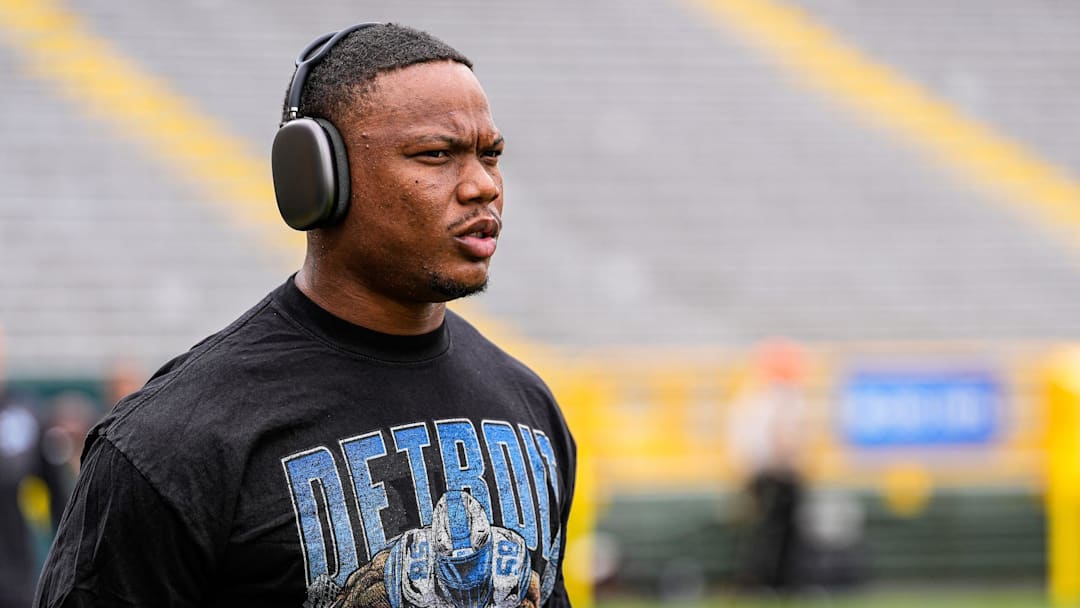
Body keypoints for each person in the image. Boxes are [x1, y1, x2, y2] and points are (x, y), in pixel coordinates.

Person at [34, 23, 576, 608]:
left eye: (490, 155)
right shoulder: (173, 441)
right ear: (317, 178)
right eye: (436, 155)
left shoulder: (528, 406)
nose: (481, 186)